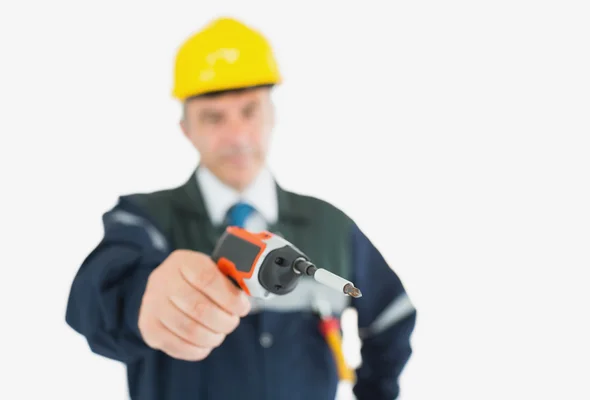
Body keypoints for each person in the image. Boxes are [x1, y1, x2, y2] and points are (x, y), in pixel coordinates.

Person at [65, 16, 417, 400]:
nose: (237, 136)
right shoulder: (145, 219)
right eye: (213, 117)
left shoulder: (331, 227)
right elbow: (94, 296)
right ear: (186, 128)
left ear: (272, 115)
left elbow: (392, 315)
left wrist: (377, 392)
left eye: (249, 111)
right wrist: (144, 298)